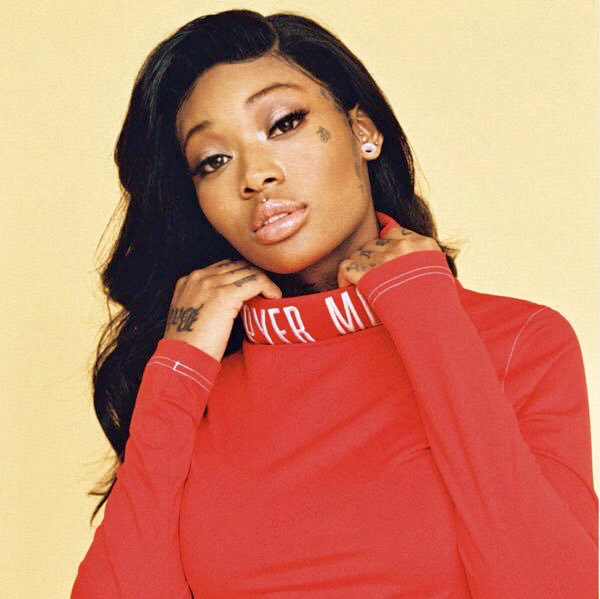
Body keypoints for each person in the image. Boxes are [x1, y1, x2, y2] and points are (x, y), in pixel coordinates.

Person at [71, 9, 598, 598]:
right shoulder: (200, 384)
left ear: (364, 131)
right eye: (213, 160)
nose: (254, 176)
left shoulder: (520, 340)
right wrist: (177, 369)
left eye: (283, 123)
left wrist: (423, 313)